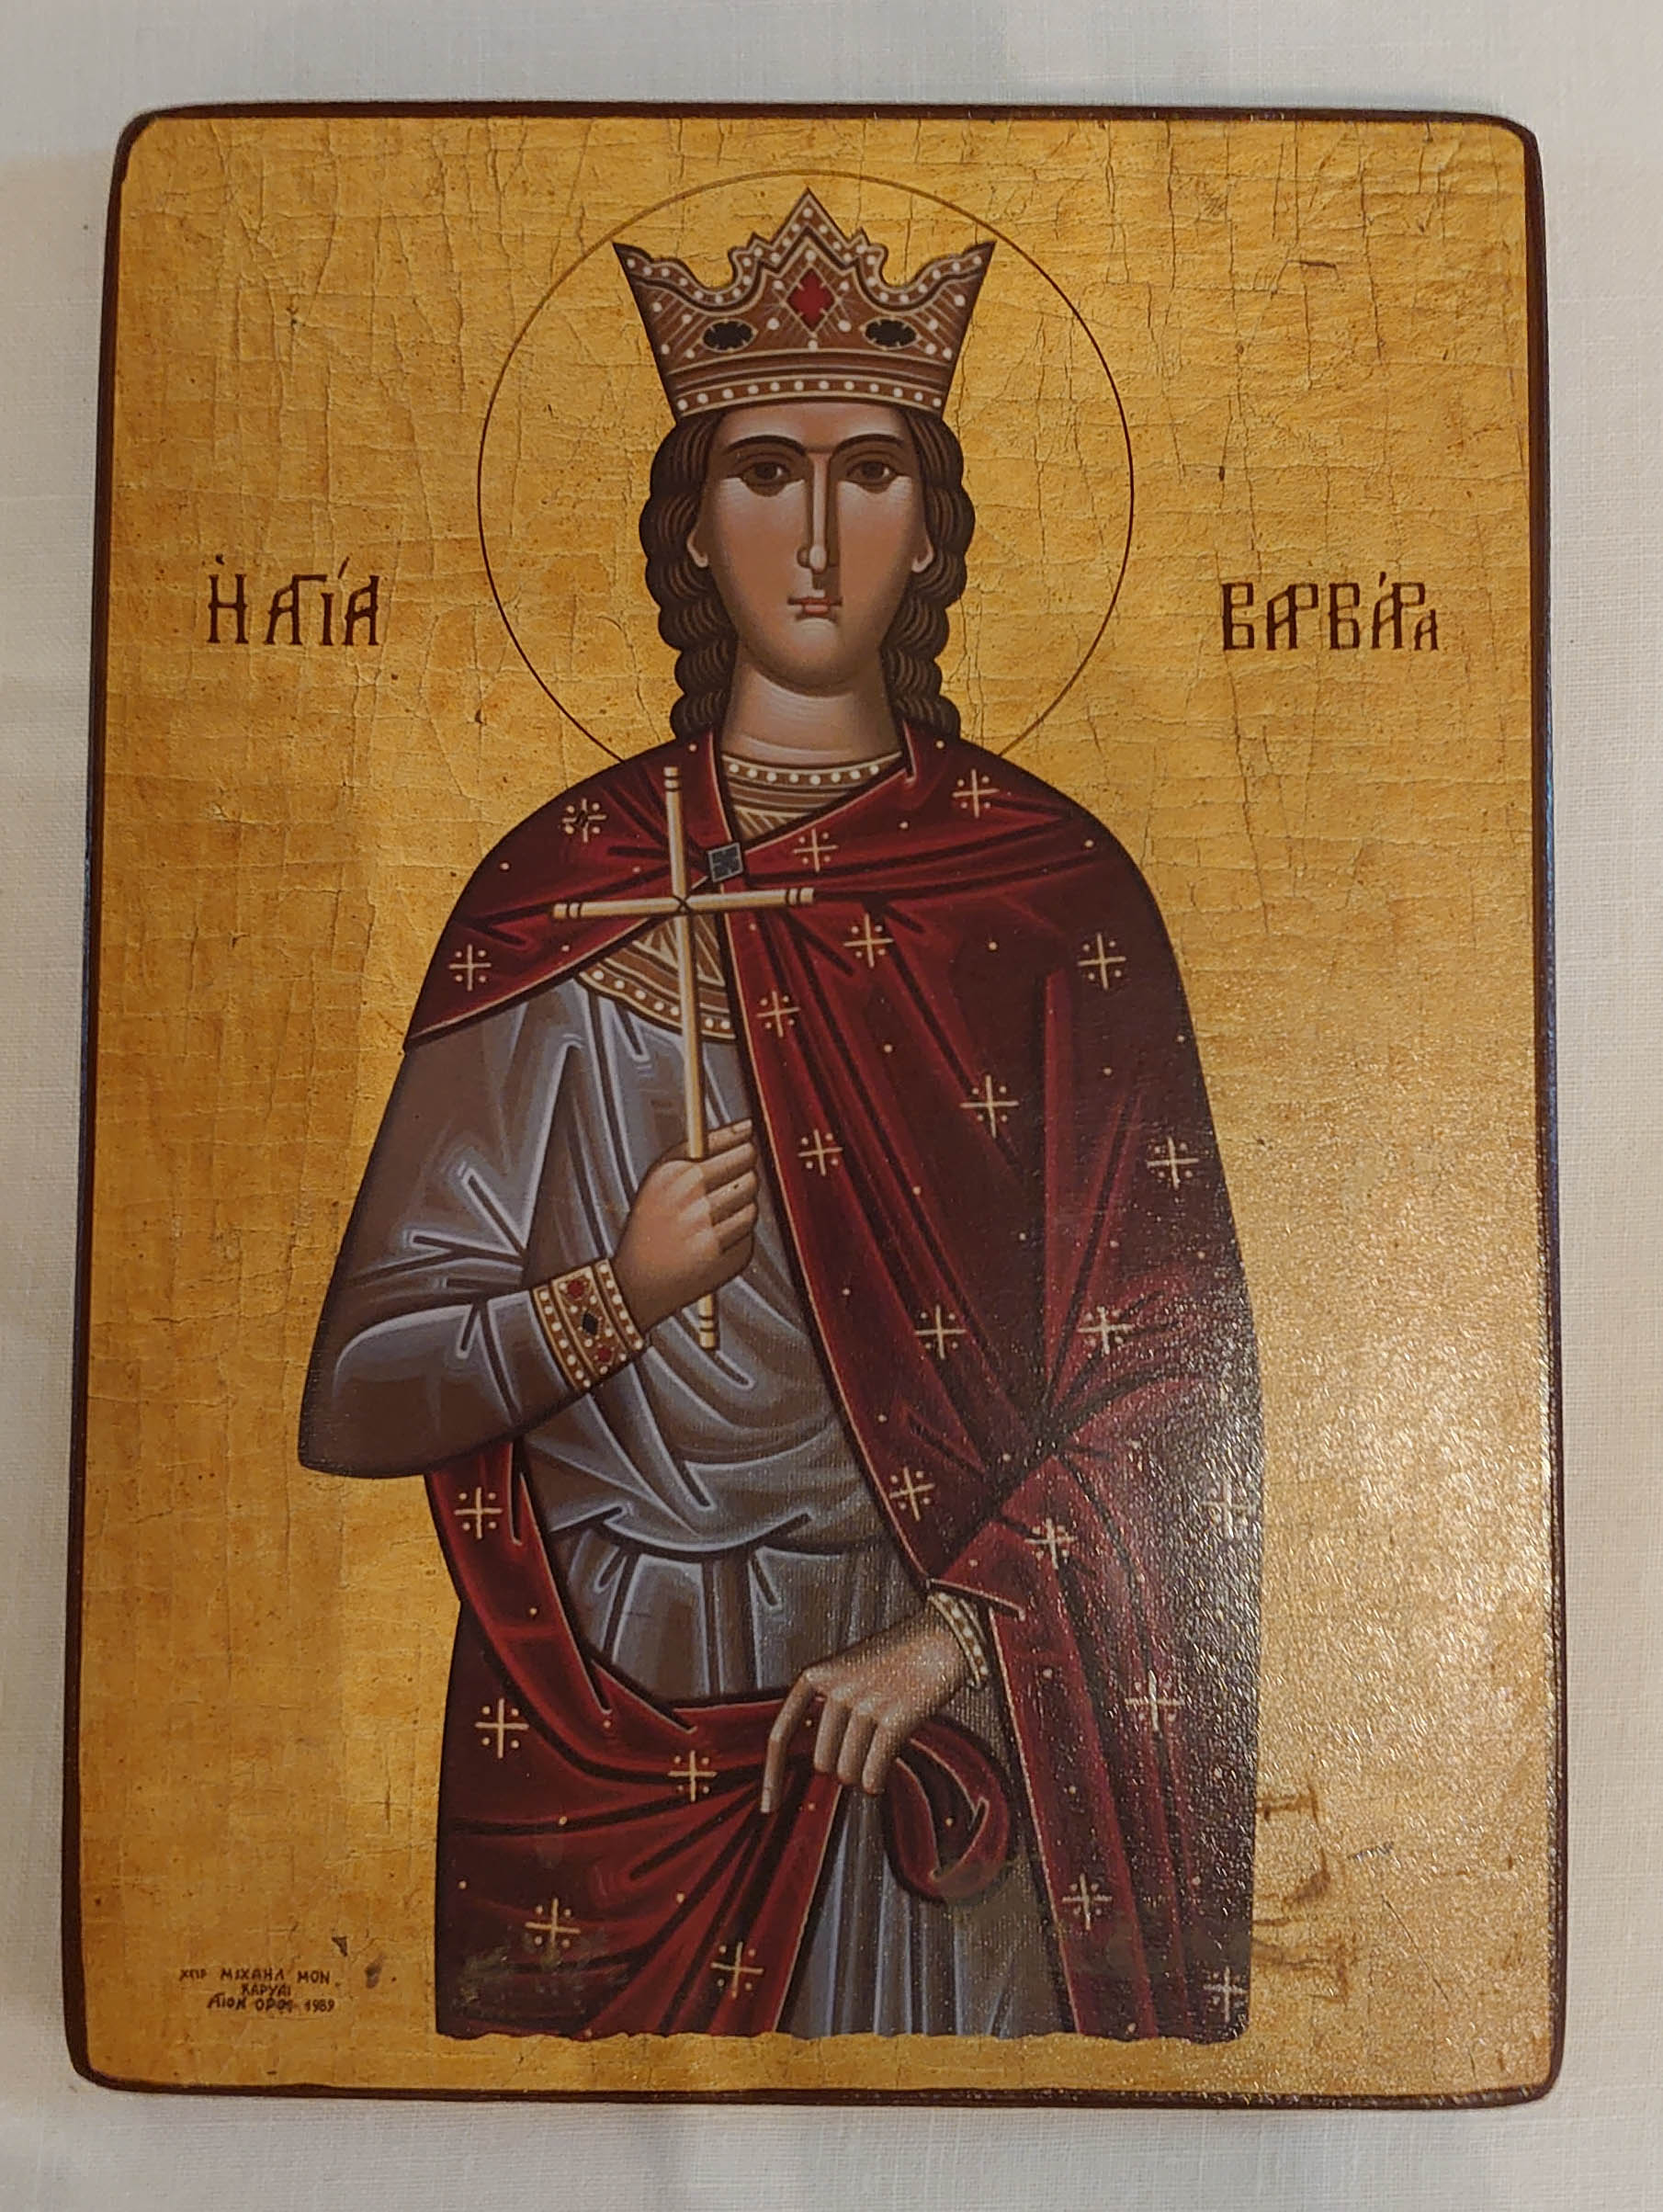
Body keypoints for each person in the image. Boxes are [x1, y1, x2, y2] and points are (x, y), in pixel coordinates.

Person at [300, 193, 1262, 2044]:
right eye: (761, 474)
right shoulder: (561, 897)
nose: (814, 541)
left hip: (930, 1687)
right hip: (610, 1701)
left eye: (867, 474)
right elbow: (359, 1391)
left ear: (934, 527)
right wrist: (617, 1294)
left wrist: (951, 1638)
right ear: (688, 525)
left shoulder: (1047, 896)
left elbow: (1177, 1382)